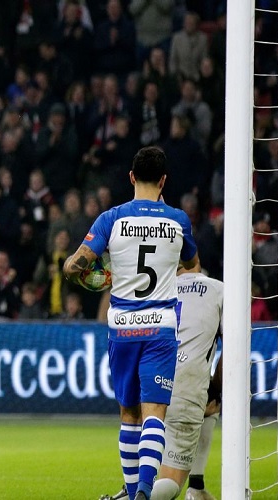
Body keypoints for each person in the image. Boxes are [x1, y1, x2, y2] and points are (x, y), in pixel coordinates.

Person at [63, 146, 199, 500]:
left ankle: (132, 489)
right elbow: (192, 266)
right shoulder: (178, 221)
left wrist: (94, 278)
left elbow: (74, 266)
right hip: (161, 327)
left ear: (131, 177)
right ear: (164, 181)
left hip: (123, 328)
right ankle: (143, 492)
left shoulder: (112, 219)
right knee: (155, 414)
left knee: (129, 413)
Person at [151, 262, 222, 500]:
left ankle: (197, 487)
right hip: (187, 387)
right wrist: (216, 389)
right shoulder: (218, 290)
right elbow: (234, 348)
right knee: (171, 484)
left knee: (210, 410)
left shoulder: (158, 289)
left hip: (151, 382)